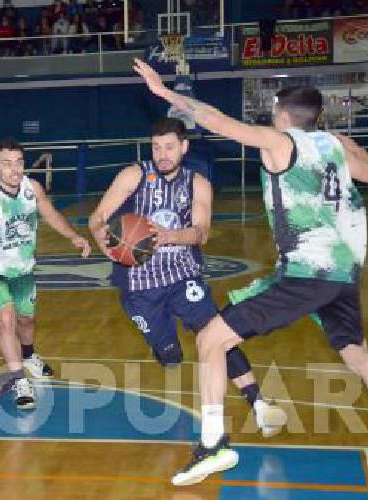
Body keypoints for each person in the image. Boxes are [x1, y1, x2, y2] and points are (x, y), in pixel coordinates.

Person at [132, 58, 368, 486]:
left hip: (308, 274)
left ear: (281, 115)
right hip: (342, 274)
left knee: (210, 339)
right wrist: (345, 142)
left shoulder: (281, 143)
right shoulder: (332, 145)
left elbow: (216, 120)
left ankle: (213, 444)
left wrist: (165, 94)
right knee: (356, 352)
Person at [87, 117, 289, 440]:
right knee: (170, 357)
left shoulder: (198, 183)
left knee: (217, 333)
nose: (162, 154)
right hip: (139, 286)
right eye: (156, 147)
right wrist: (104, 243)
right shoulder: (133, 175)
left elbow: (201, 232)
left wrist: (169, 236)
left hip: (183, 277)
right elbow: (96, 218)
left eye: (169, 147)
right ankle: (165, 346)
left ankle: (259, 404)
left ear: (184, 147)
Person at [0, 138, 91, 410]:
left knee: (26, 321)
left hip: (22, 271)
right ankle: (19, 379)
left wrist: (74, 236)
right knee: (6, 319)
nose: (14, 170)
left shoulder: (32, 189)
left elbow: (51, 214)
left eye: (19, 163)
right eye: (7, 164)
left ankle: (29, 354)